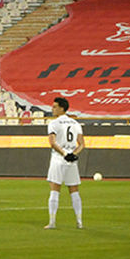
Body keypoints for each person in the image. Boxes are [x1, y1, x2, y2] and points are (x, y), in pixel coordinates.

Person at [45, 97, 85, 229]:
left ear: (62, 108)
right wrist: (73, 154)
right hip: (71, 161)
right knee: (74, 191)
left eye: (55, 106)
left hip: (58, 158)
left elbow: (52, 142)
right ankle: (79, 222)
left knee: (55, 190)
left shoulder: (54, 123)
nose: (52, 109)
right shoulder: (75, 123)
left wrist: (64, 154)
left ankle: (52, 222)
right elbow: (82, 144)